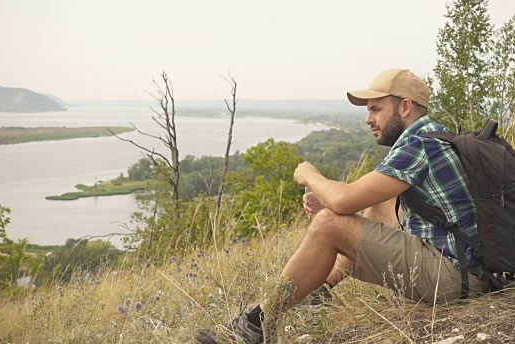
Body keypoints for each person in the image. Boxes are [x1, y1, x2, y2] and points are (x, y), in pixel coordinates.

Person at [196, 68, 489, 344]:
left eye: (376, 109)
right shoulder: (434, 135)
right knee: (376, 203)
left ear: (405, 107)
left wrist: (310, 176)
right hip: (464, 268)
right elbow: (358, 197)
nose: (368, 119)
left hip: (453, 278)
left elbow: (343, 199)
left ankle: (255, 324)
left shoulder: (419, 146)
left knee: (329, 225)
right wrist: (333, 205)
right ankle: (318, 290)